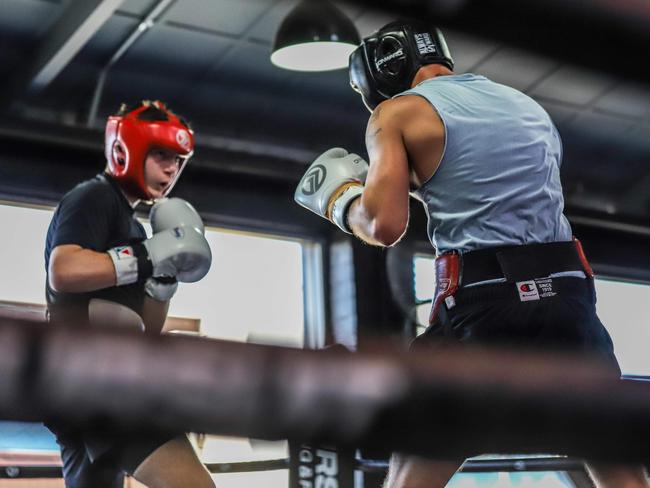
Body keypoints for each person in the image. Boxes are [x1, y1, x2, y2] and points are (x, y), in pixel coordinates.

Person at [294, 20, 649, 488]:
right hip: (570, 303)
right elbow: (482, 193)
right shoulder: (525, 105)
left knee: (413, 457)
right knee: (615, 463)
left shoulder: (395, 114)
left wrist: (341, 199)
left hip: (485, 306)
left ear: (381, 74)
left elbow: (383, 225)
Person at [44, 100, 215, 488]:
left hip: (91, 384)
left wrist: (164, 275)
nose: (171, 169)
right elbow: (64, 270)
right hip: (93, 383)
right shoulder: (94, 197)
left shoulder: (135, 230)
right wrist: (148, 255)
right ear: (127, 150)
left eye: (178, 160)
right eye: (161, 155)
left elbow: (144, 327)